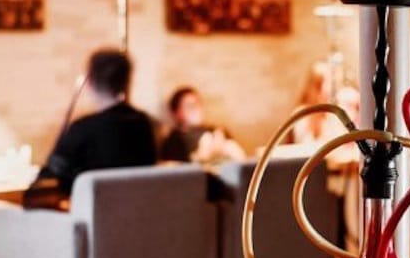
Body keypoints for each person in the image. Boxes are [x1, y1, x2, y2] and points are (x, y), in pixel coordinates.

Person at [23, 49, 157, 209]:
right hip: (137, 214)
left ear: (90, 81)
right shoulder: (144, 124)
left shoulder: (83, 129)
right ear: (127, 81)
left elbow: (42, 189)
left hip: (94, 216)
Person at [160, 86, 245, 163]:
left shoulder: (217, 131)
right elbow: (175, 170)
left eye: (198, 103)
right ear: (177, 113)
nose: (197, 109)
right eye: (191, 106)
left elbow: (241, 159)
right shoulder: (174, 141)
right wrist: (202, 156)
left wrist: (223, 148)